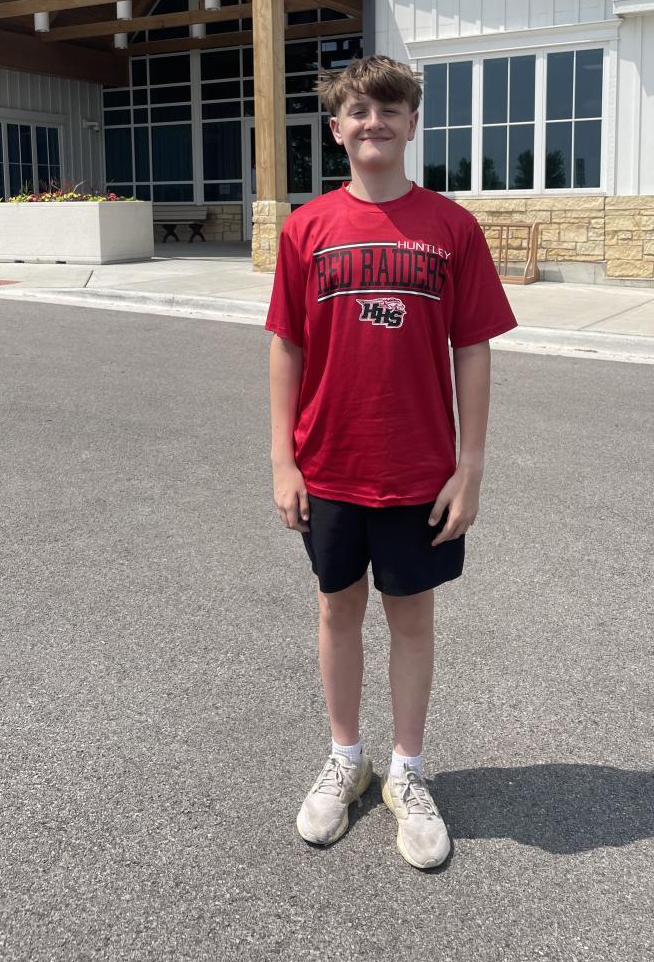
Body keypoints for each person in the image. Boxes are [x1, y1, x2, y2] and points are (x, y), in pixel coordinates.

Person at [265, 54, 517, 869]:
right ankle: (348, 758)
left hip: (419, 471)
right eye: (357, 110)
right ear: (336, 129)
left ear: (412, 123)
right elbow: (287, 345)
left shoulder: (451, 228)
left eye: (389, 108)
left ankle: (407, 768)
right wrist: (283, 460)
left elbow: (472, 348)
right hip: (330, 465)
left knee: (411, 616)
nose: (373, 121)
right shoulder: (307, 229)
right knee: (337, 609)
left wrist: (470, 467)